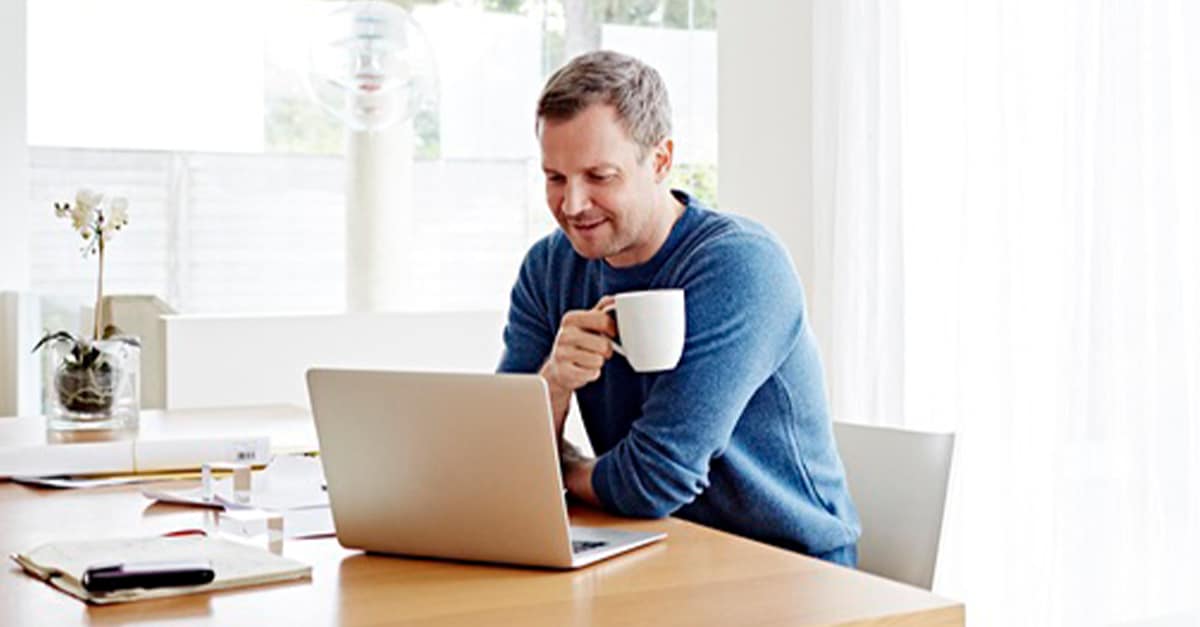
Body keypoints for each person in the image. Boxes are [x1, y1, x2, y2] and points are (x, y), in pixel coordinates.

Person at [497, 50, 860, 566]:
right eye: (555, 178)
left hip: (789, 566)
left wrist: (567, 471)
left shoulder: (740, 267)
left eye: (599, 176)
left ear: (661, 161)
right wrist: (553, 382)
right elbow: (502, 460)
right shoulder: (549, 267)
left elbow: (654, 480)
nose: (572, 205)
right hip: (657, 548)